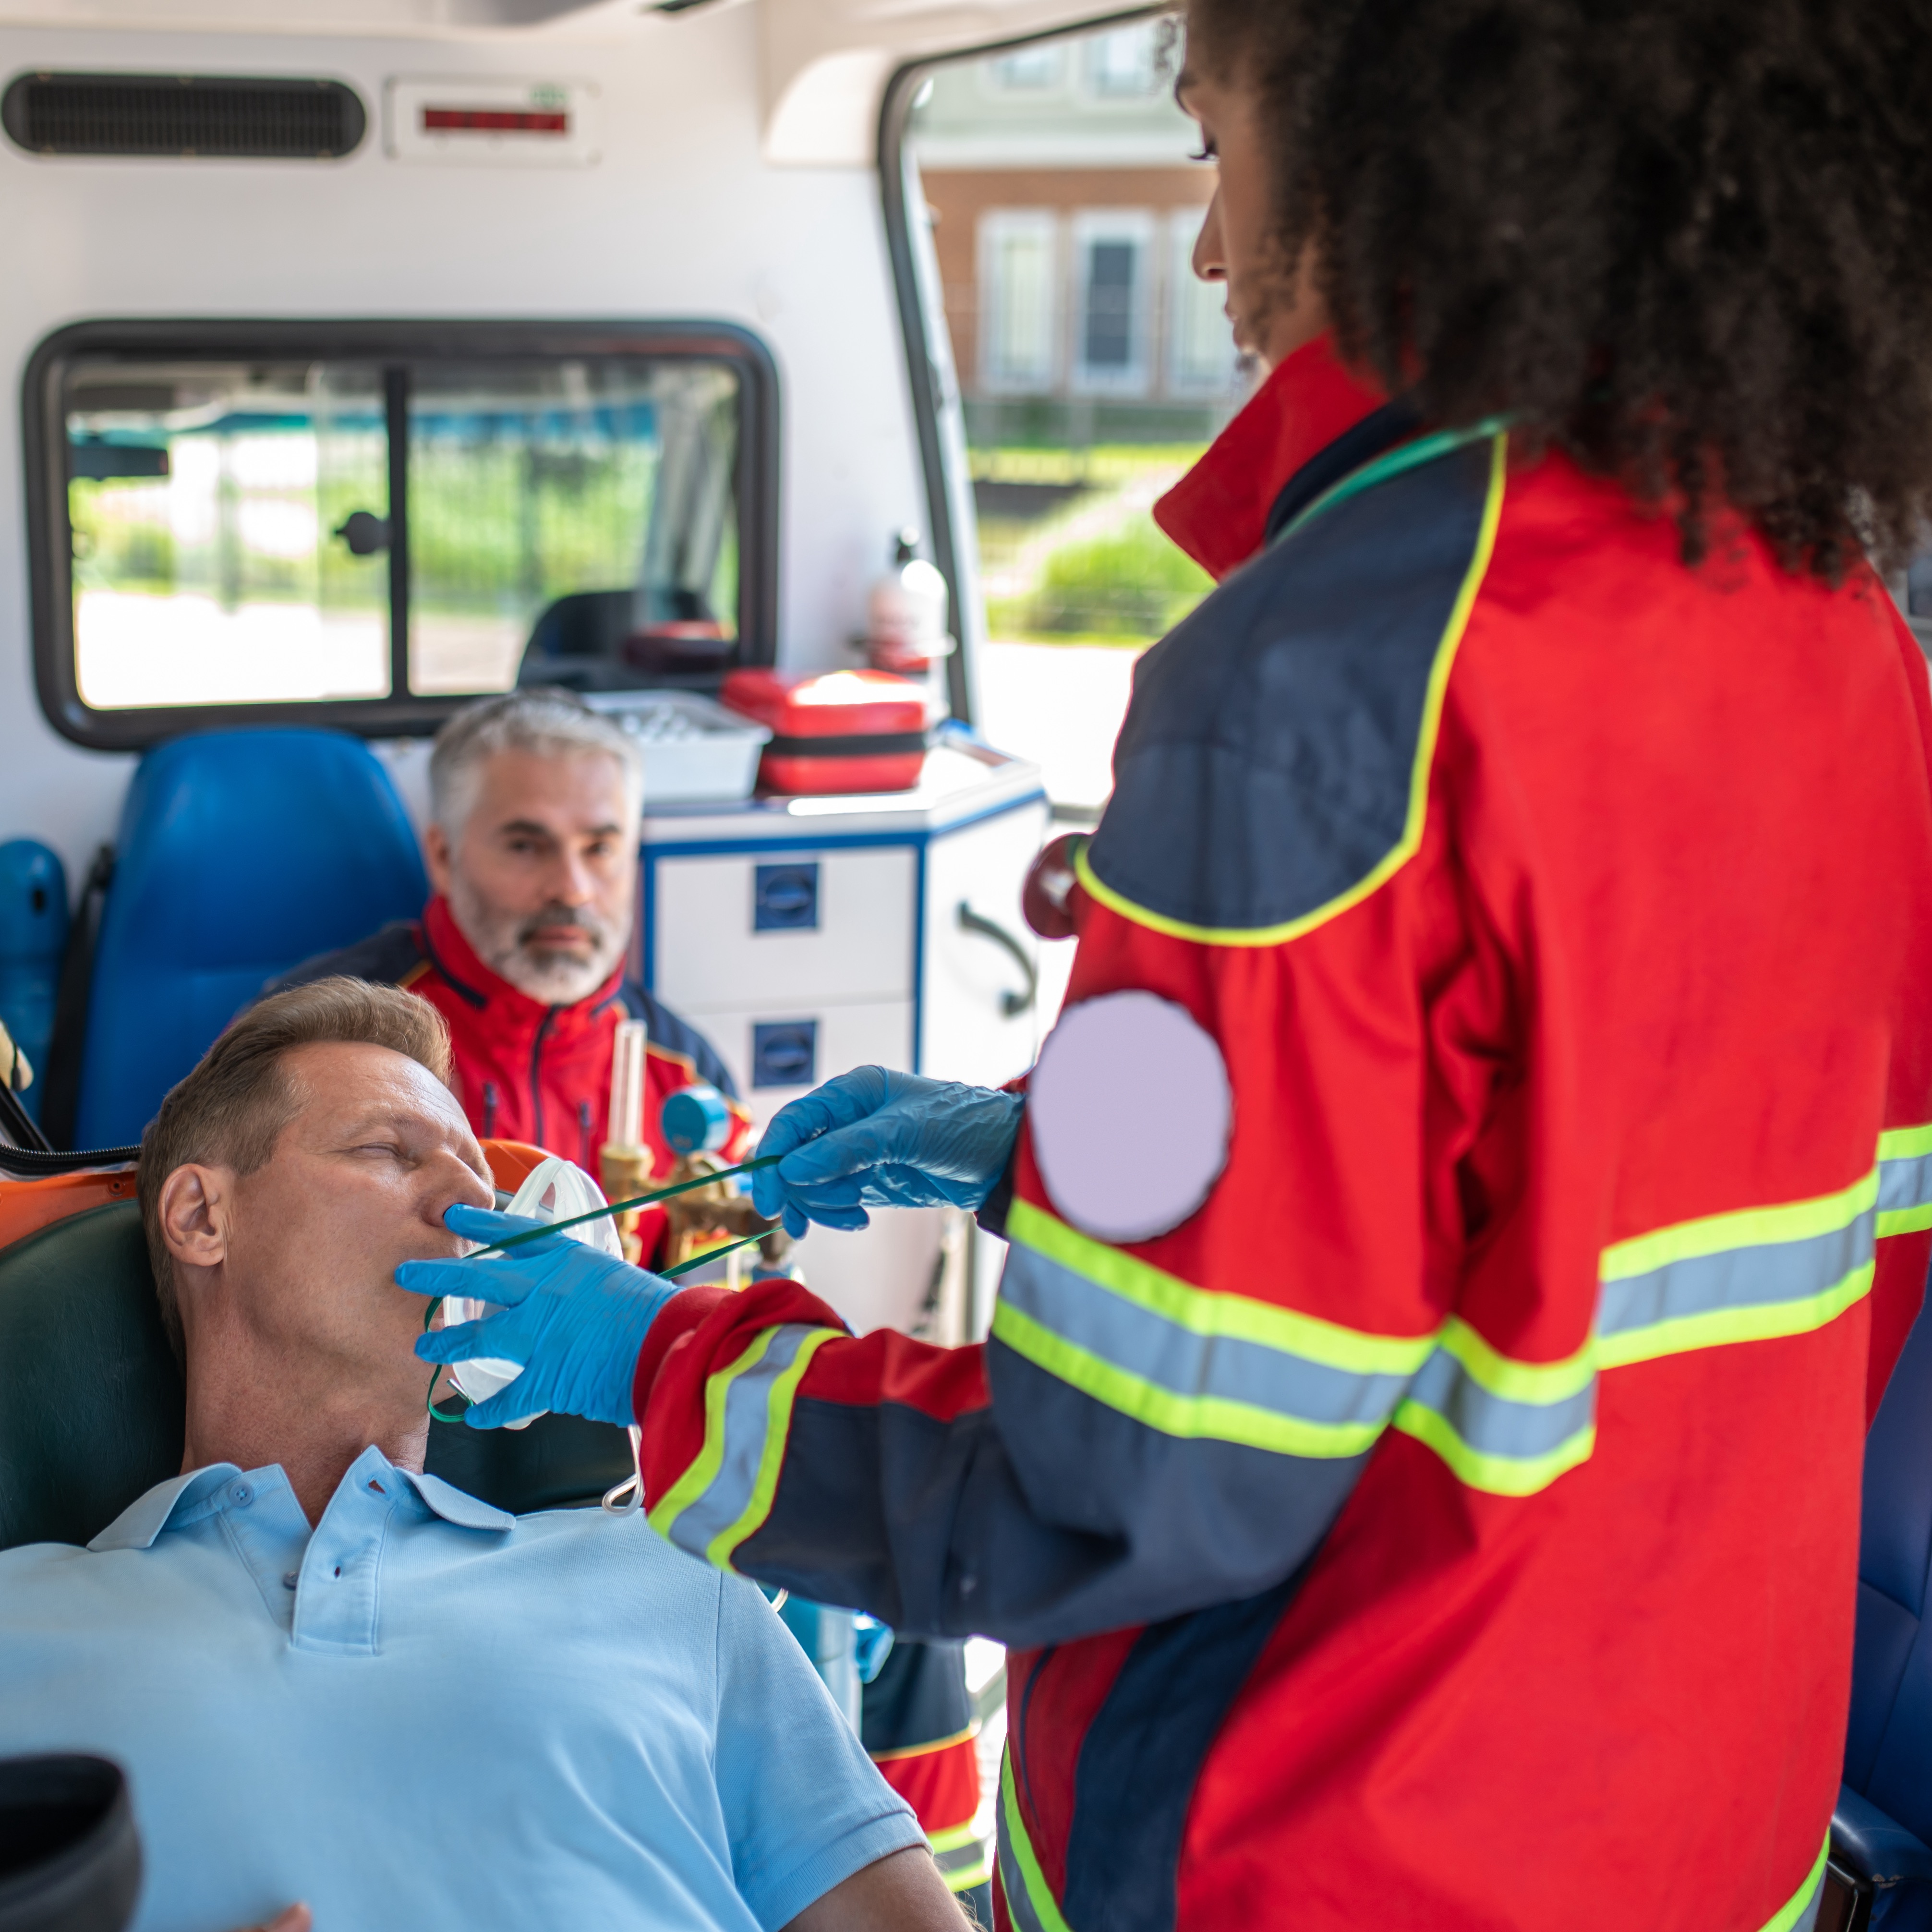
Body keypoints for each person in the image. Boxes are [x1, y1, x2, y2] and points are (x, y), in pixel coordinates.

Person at [400, 1, 1932, 1926]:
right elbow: (1554, 1186)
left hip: (1345, 1841)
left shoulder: (1312, 687)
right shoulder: (1827, 621)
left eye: (1211, 148)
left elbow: (1119, 1481)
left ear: (1399, 139)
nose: (1209, 247)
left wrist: (658, 1360)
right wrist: (1038, 1150)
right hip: (1706, 1824)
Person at [0, 979, 964, 1932]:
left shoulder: (673, 1580)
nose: (474, 1197)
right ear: (204, 1216)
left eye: (478, 1172)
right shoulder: (21, 1627)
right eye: (386, 1150)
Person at [271, 688, 751, 1262]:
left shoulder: (688, 1079)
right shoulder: (318, 1044)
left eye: (600, 848)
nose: (572, 888)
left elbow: (718, 1304)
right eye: (527, 846)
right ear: (444, 857)